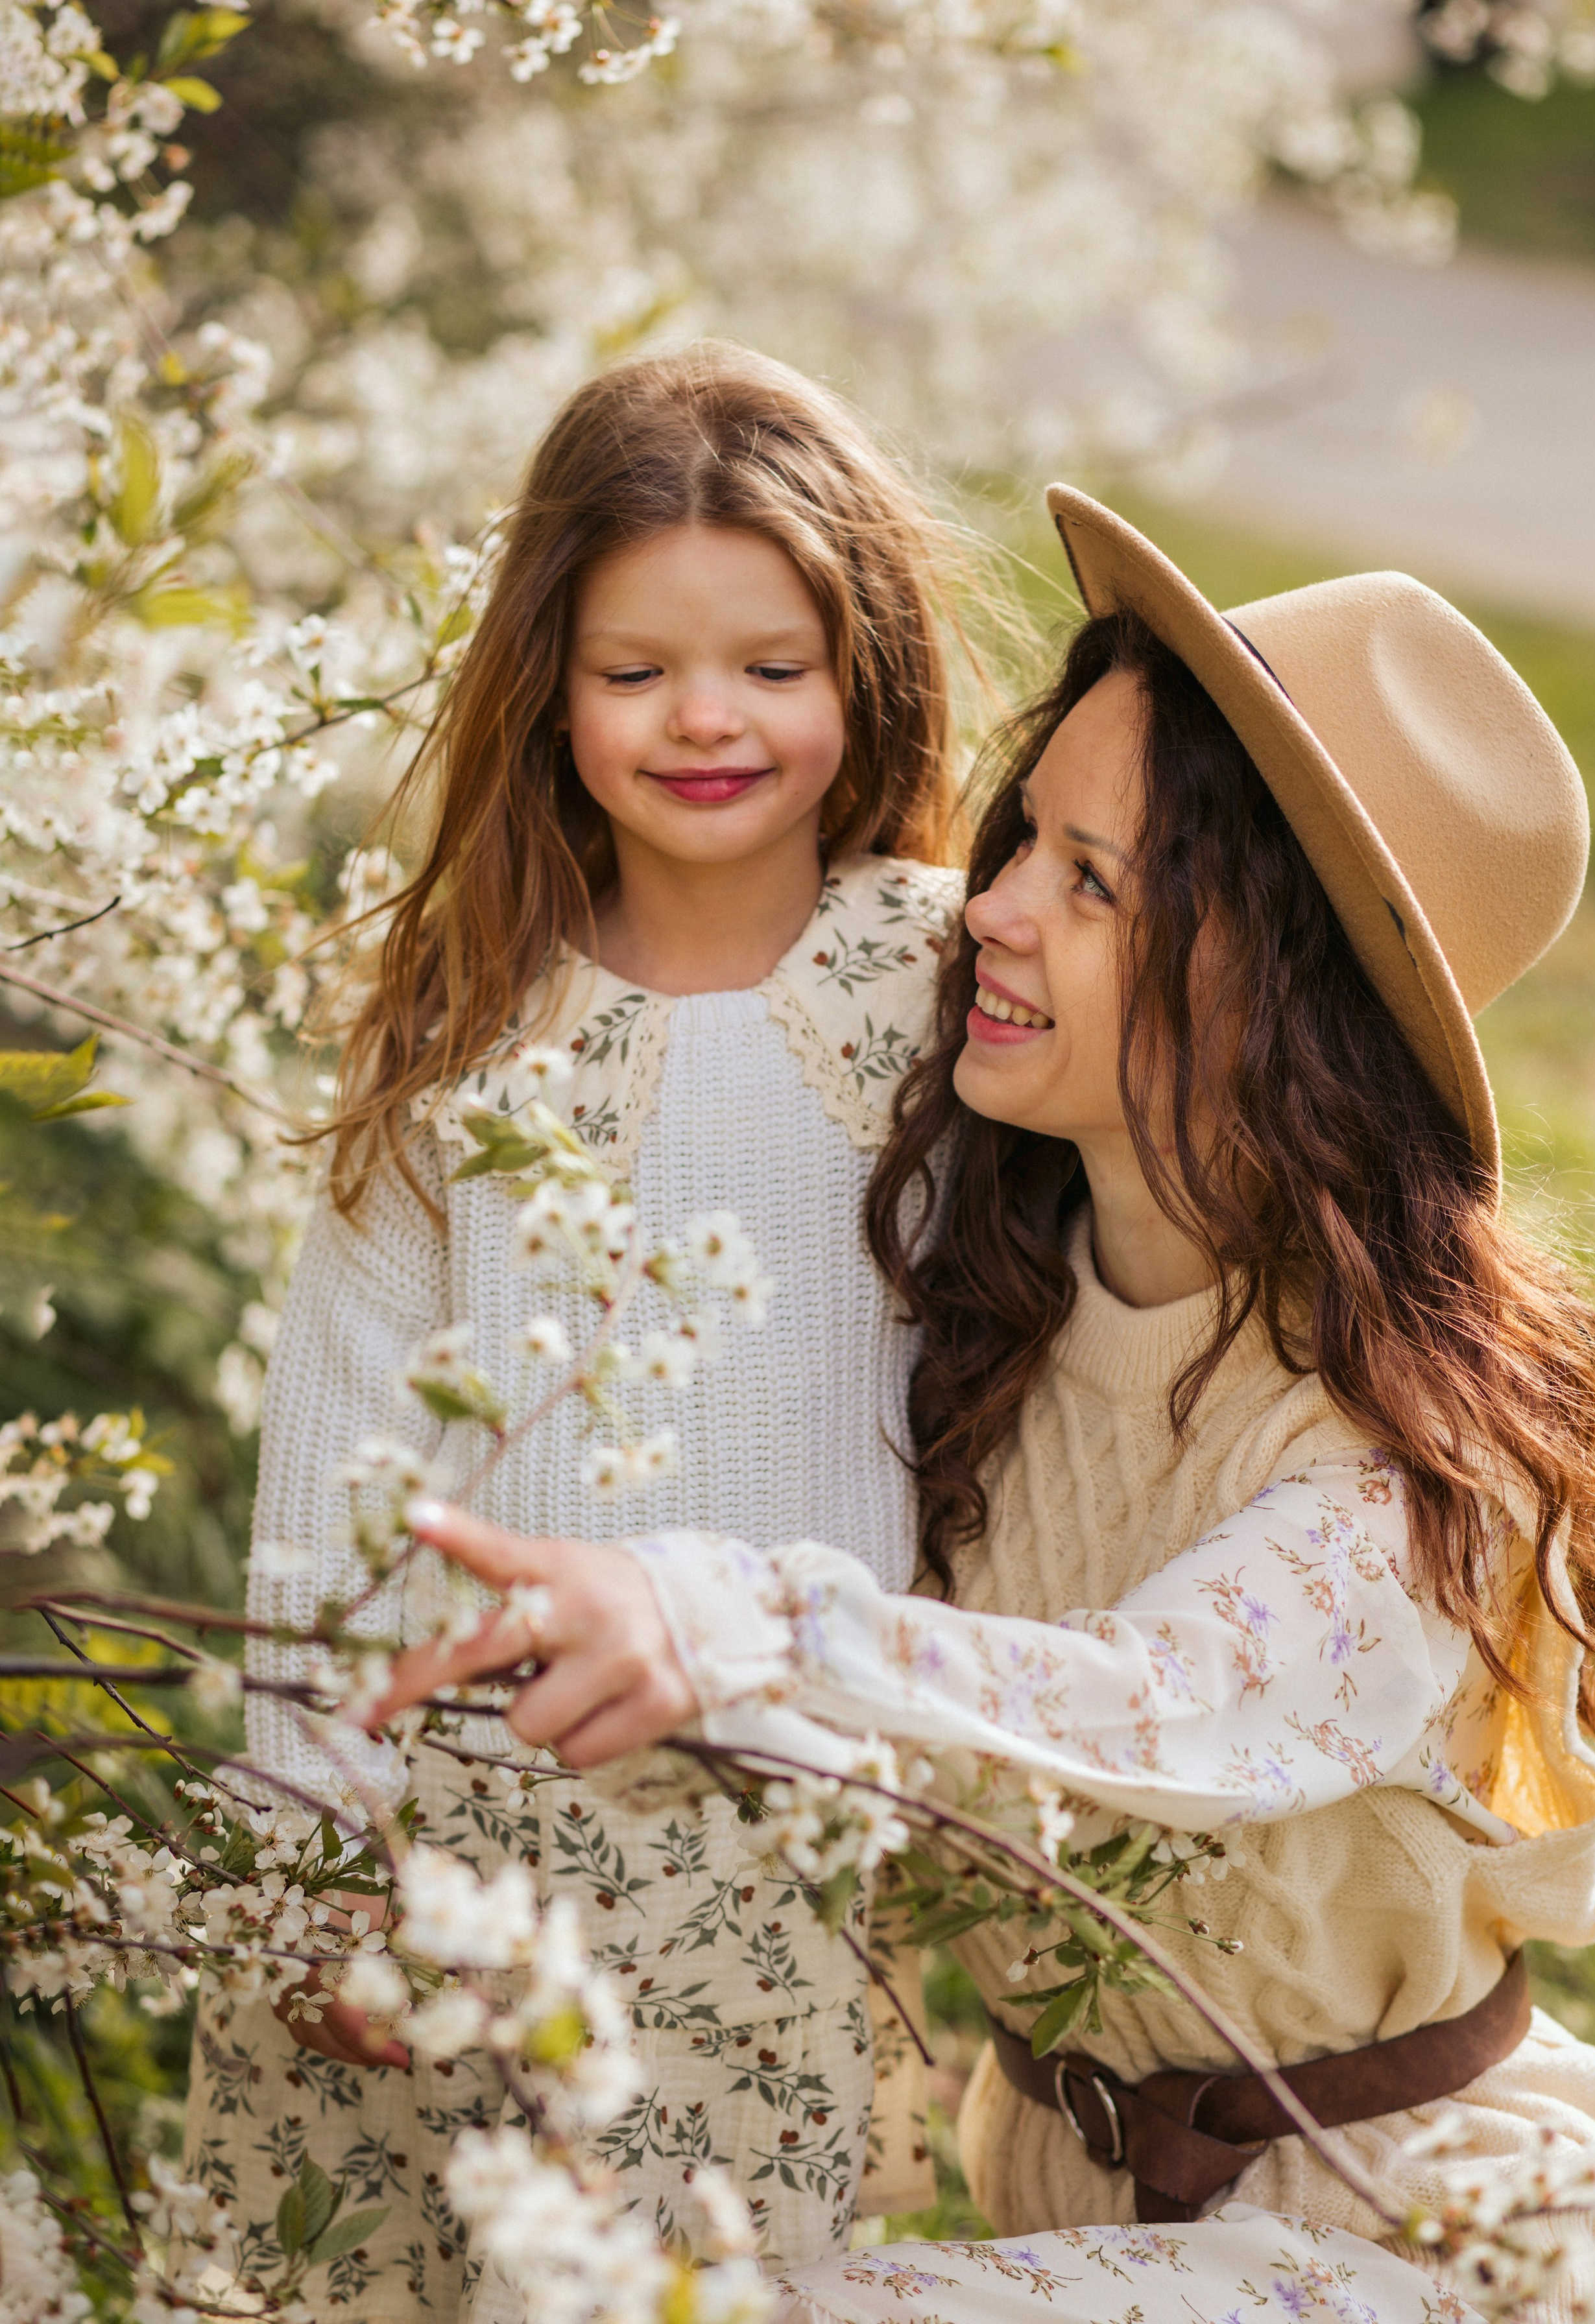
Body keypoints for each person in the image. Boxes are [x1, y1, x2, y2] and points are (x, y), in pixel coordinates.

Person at [376, 488, 1595, 2323]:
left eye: (1091, 880)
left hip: (1411, 2250)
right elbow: (870, 1752)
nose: (988, 908)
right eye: (1025, 842)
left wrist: (734, 1620)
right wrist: (450, 1929)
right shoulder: (998, 1310)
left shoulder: (1399, 1487)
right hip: (1095, 2217)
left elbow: (1139, 1705)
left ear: (1267, 990)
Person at [183, 342, 1002, 2321]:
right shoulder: (479, 1021)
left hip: (783, 1819)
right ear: (548, 687)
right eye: (636, 672)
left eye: (771, 668)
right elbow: (347, 1433)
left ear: (865, 672)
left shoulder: (951, 984)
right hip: (462, 1824)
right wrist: (321, 1833)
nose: (704, 719)